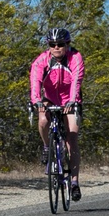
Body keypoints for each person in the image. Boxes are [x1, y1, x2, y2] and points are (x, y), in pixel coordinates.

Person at [30, 28, 85, 201]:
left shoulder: (75, 58)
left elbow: (77, 79)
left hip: (70, 98)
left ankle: (74, 182)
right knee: (43, 120)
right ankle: (47, 146)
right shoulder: (42, 60)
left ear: (67, 44)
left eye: (60, 45)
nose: (56, 48)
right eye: (52, 45)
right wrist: (36, 101)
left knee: (72, 137)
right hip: (50, 98)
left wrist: (73, 101)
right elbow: (35, 80)